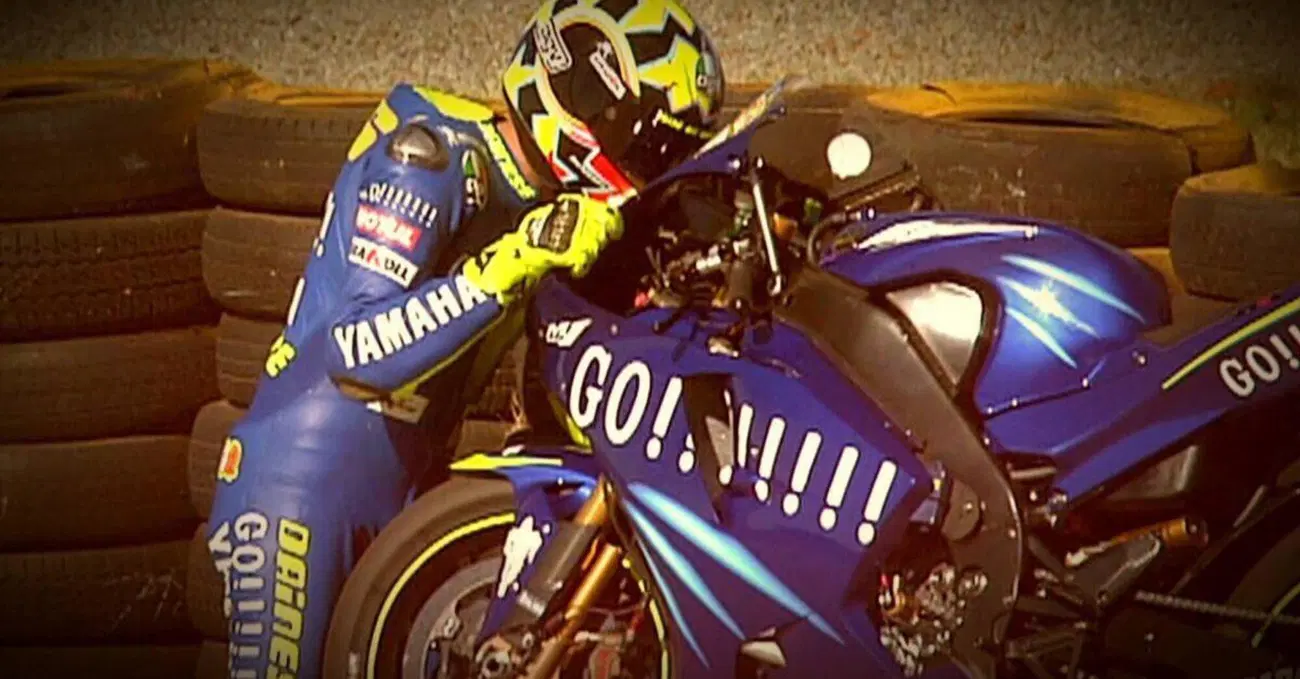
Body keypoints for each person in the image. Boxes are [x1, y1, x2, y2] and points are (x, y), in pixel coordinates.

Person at [204, 1, 726, 677]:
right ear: (587, 100)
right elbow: (354, 352)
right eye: (650, 143)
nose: (651, 165)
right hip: (297, 492)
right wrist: (512, 262)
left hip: (410, 495)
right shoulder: (428, 159)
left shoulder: (550, 207)